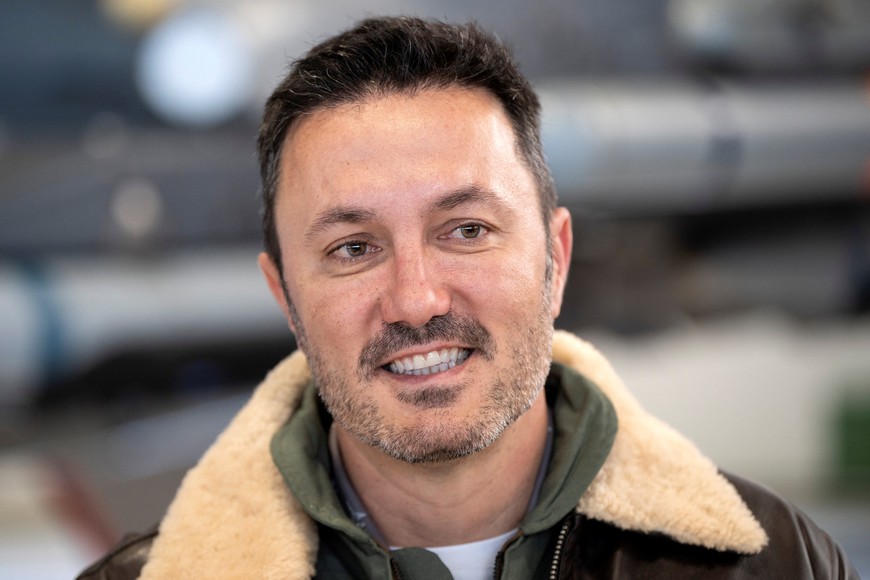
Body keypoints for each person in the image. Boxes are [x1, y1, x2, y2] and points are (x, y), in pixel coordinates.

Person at [78, 16, 858, 579]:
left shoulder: (770, 562)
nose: (415, 300)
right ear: (285, 296)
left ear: (555, 257)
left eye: (467, 231)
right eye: (353, 249)